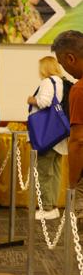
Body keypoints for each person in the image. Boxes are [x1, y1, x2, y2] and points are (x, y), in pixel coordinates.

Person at [27, 56, 68, 220]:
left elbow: (44, 102)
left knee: (44, 172)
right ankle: (53, 207)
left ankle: (47, 208)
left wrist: (31, 99)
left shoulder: (47, 82)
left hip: (46, 135)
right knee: (55, 172)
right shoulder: (61, 81)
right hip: (58, 136)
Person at [51, 30, 83, 223]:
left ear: (70, 58)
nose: (65, 70)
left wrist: (72, 184)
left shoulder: (79, 90)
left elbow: (79, 140)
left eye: (62, 65)